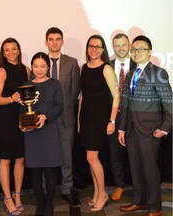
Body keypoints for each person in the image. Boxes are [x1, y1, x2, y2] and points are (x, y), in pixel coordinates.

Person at [118, 35, 172, 216]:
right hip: (132, 129)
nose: (136, 52)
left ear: (149, 52)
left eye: (140, 49)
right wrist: (122, 128)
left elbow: (169, 104)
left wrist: (164, 128)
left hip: (150, 130)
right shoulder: (130, 74)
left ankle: (155, 208)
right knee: (135, 168)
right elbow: (126, 102)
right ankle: (139, 202)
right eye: (133, 49)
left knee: (150, 170)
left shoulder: (159, 72)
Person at [77, 34, 119, 212]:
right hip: (86, 118)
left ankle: (102, 194)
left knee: (91, 158)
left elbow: (116, 96)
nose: (94, 49)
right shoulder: (83, 68)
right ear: (87, 48)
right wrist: (79, 119)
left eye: (98, 46)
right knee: (92, 159)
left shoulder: (107, 69)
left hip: (100, 119)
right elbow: (82, 96)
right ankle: (96, 192)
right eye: (91, 46)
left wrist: (112, 120)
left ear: (103, 50)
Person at [20, 52, 64, 216]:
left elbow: (60, 106)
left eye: (42, 66)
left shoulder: (55, 84)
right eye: (36, 66)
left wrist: (46, 116)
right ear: (32, 67)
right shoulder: (26, 85)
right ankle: (40, 203)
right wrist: (21, 123)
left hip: (49, 132)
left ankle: (49, 204)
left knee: (50, 170)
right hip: (31, 134)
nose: (39, 69)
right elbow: (22, 108)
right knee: (35, 171)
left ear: (48, 67)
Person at [0, 38, 31, 215]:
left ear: (18, 50)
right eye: (7, 50)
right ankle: (7, 197)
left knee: (21, 159)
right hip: (5, 120)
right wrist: (11, 99)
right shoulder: (1, 71)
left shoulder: (26, 69)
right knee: (6, 159)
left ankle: (17, 195)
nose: (11, 52)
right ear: (3, 53)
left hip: (22, 118)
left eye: (13, 49)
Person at [44, 27, 81, 206]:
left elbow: (74, 92)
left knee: (67, 157)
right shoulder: (40, 62)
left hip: (66, 118)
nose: (54, 42)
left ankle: (67, 190)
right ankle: (46, 189)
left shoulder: (72, 62)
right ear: (46, 42)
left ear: (62, 41)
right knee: (46, 156)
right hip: (45, 120)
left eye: (58, 39)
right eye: (51, 39)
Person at [108, 33, 136, 200]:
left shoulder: (139, 64)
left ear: (129, 44)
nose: (121, 48)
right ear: (113, 47)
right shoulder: (107, 66)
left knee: (135, 153)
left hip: (135, 117)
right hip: (115, 115)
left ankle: (139, 186)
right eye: (117, 45)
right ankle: (120, 185)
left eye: (123, 45)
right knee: (115, 153)